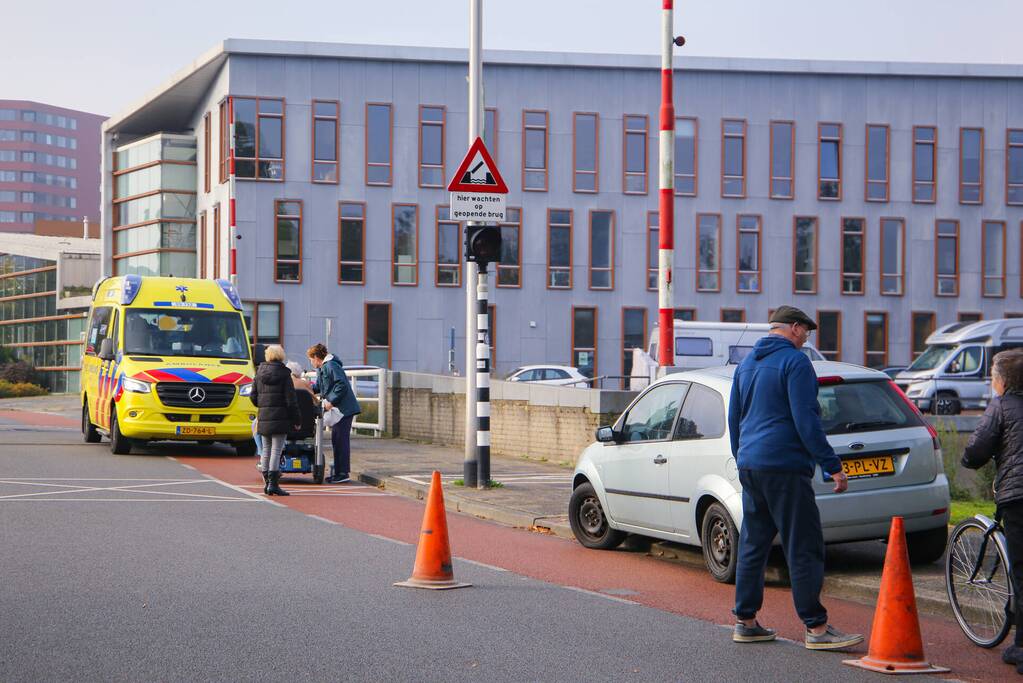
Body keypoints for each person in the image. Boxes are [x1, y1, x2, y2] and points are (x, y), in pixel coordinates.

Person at [728, 306, 862, 650]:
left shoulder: (746, 365)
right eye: (806, 332)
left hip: (751, 466)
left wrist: (743, 455)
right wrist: (832, 464)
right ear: (795, 329)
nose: (807, 339)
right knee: (803, 545)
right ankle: (816, 628)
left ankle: (746, 621)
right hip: (785, 466)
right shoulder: (796, 363)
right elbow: (807, 420)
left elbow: (735, 418)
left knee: (753, 544)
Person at [961, 348, 1023, 674]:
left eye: (993, 377)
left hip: (1018, 496)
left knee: (1022, 572)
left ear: (1003, 380)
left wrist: (968, 461)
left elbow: (978, 447)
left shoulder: (1001, 406)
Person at [249, 344, 299, 496]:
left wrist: (263, 405)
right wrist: (297, 419)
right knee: (276, 451)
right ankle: (273, 485)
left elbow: (253, 396)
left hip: (264, 417)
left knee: (266, 450)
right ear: (281, 355)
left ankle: (267, 483)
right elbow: (291, 400)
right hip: (280, 418)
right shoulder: (284, 374)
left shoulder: (259, 373)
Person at [307, 343, 361, 484]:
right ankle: (339, 472)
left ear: (317, 357)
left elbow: (341, 385)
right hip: (341, 410)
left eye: (311, 359)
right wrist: (304, 387)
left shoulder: (331, 366)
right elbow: (319, 387)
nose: (311, 362)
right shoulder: (323, 368)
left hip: (343, 409)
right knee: (337, 440)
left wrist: (331, 401)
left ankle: (342, 473)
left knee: (340, 441)